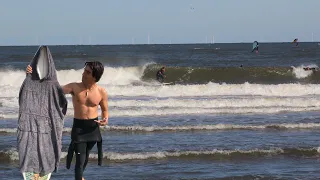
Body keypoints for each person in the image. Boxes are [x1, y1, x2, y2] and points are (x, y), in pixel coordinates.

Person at [26, 61, 108, 180]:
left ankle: (80, 177)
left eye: (88, 72)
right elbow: (53, 89)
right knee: (80, 160)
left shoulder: (101, 92)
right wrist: (33, 76)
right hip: (79, 128)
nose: (83, 73)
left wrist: (105, 119)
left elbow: (105, 110)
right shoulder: (74, 87)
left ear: (95, 76)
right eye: (84, 70)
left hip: (93, 129)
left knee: (85, 158)